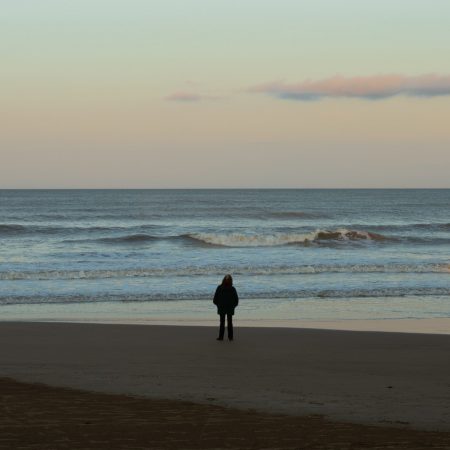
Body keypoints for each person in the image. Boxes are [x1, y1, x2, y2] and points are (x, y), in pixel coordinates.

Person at [213, 274, 239, 341]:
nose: (227, 281)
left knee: (225, 322)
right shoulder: (231, 289)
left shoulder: (228, 288)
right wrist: (218, 304)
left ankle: (225, 337)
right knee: (226, 322)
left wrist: (218, 304)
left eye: (228, 279)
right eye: (226, 279)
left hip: (226, 307)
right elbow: (215, 299)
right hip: (225, 307)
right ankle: (228, 337)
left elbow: (236, 300)